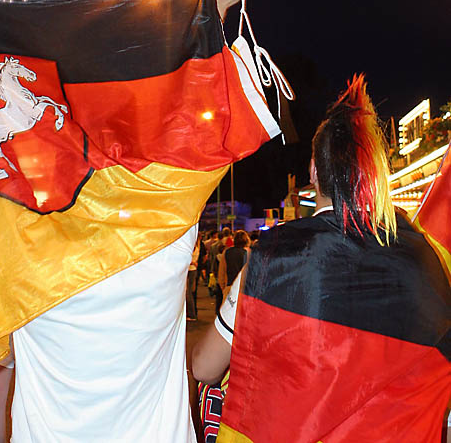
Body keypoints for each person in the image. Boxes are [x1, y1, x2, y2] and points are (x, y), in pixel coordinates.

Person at [0, 0, 251, 443]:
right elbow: (185, 119)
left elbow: (12, 142)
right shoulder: (167, 232)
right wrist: (206, 14)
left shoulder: (21, 245)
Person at [193, 75, 451, 442]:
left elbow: (203, 367)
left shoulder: (273, 259)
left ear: (314, 171)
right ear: (376, 175)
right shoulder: (429, 264)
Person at [218, 229, 249, 298]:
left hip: (230, 286)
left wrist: (224, 288)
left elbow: (221, 272)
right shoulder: (249, 253)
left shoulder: (227, 252)